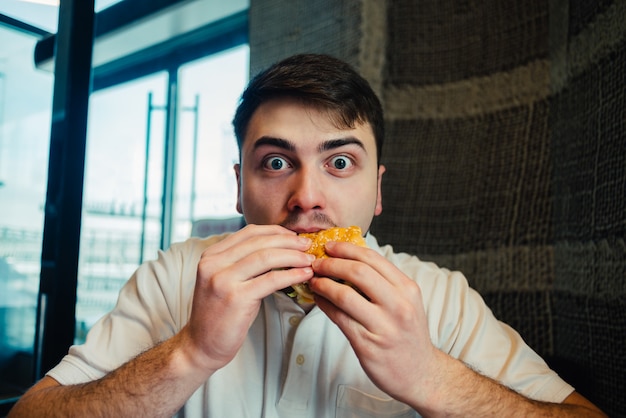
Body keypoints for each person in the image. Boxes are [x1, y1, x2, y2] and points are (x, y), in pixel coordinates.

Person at [10, 53, 605, 417]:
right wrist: (190, 353)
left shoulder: (439, 298)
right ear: (239, 187)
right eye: (275, 162)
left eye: (339, 162)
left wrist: (428, 376)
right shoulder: (175, 275)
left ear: (377, 190)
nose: (307, 197)